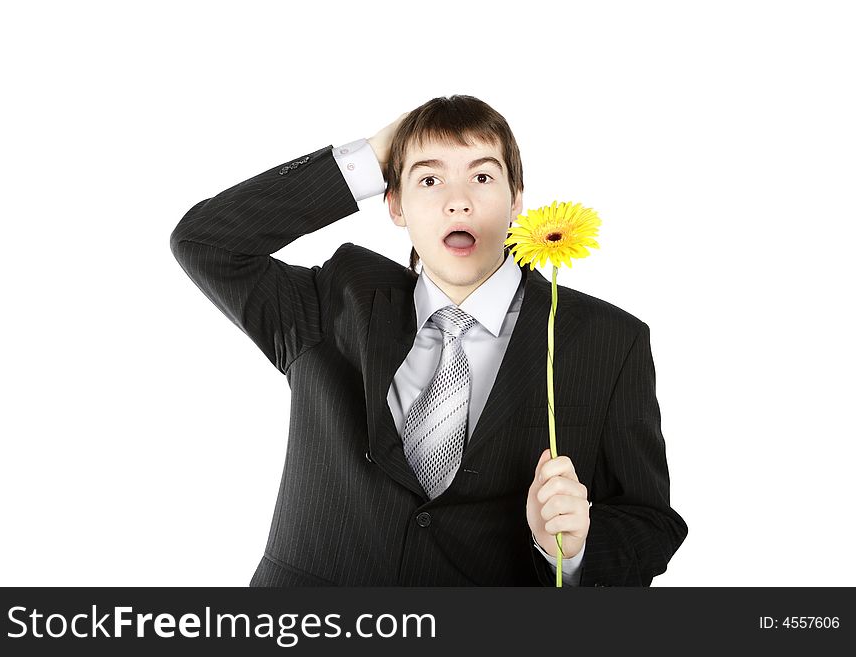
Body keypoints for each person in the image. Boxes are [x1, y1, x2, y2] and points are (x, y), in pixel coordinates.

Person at [169, 94, 687, 586]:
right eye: (430, 179)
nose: (458, 202)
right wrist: (371, 160)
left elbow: (651, 523)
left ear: (517, 201)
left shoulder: (609, 340)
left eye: (482, 176)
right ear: (395, 205)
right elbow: (205, 242)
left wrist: (572, 551)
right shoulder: (333, 301)